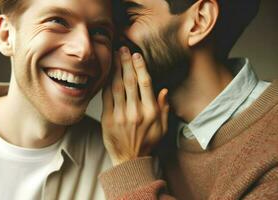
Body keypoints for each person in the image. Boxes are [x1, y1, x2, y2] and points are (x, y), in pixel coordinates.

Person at [0, 0, 129, 199]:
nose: (84, 50)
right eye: (57, 21)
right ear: (6, 36)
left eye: (101, 32)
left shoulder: (125, 163)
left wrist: (130, 170)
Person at [98, 0, 278, 199]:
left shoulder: (272, 148)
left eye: (130, 17)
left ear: (199, 21)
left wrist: (129, 165)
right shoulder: (146, 131)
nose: (112, 36)